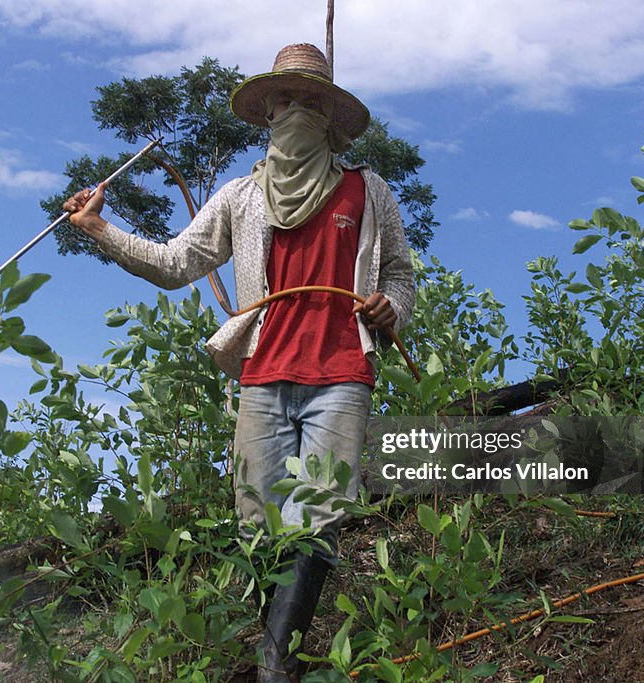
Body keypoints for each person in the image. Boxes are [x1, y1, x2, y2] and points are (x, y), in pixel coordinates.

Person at [64, 43, 415, 683]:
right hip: (262, 374)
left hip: (339, 373)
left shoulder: (370, 191)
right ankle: (276, 652)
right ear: (268, 113)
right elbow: (176, 264)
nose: (297, 112)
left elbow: (400, 275)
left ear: (331, 116)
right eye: (287, 101)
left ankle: (274, 667)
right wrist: (99, 230)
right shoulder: (240, 197)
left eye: (311, 101)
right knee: (257, 520)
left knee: (319, 513)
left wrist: (390, 307)